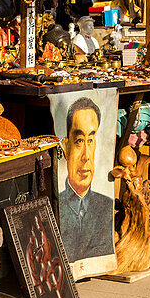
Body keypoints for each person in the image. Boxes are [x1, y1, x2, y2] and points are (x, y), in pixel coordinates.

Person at [58, 98, 115, 260]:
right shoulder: (56, 206)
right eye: (79, 141)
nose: (86, 156)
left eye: (90, 140)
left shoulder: (106, 205)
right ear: (66, 148)